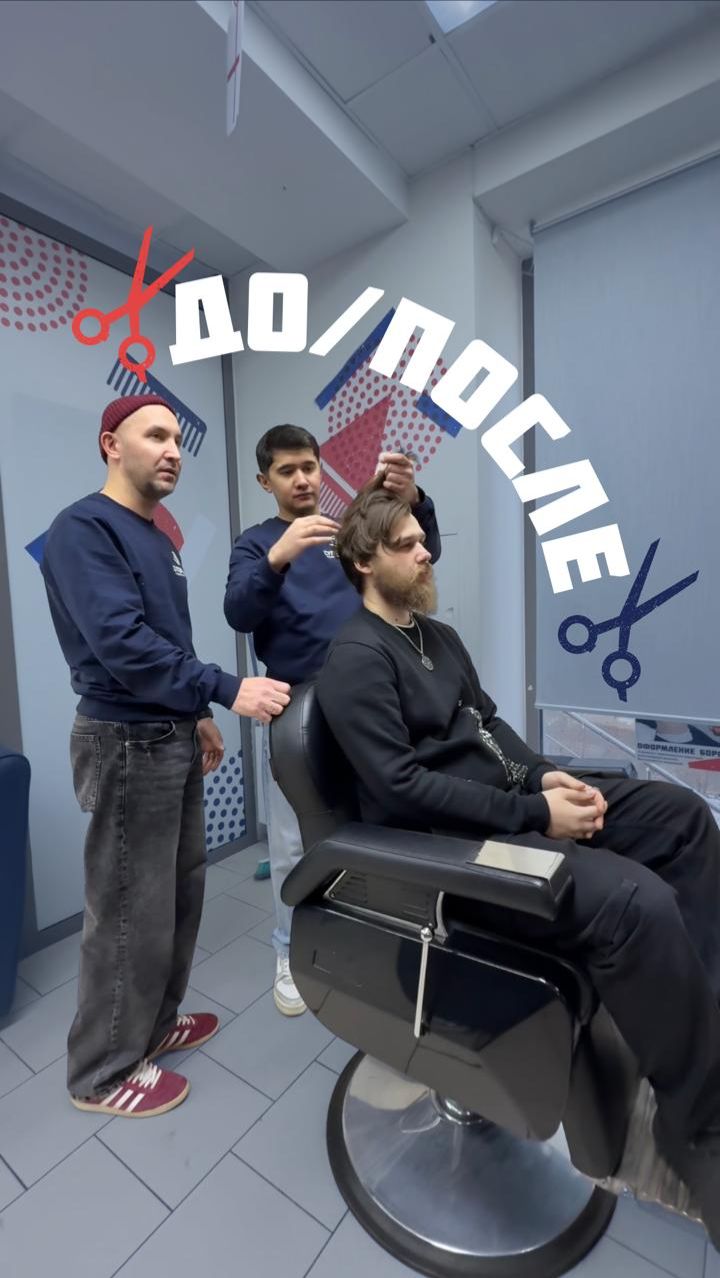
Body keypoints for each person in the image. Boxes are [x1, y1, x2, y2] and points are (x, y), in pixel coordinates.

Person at [316, 476, 720, 1247]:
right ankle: (700, 1128)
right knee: (635, 904)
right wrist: (536, 815)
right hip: (455, 855)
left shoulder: (437, 639)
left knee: (683, 821)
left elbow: (490, 725)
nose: (425, 552)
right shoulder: (355, 659)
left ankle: (704, 1025)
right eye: (405, 545)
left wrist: (544, 777)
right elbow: (401, 790)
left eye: (423, 540)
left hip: (512, 809)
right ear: (364, 561)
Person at [41, 394, 290, 1118]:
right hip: (123, 741)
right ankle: (101, 1071)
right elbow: (122, 645)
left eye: (178, 438)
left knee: (177, 895)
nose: (173, 450)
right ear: (110, 445)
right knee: (128, 910)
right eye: (155, 435)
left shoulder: (158, 539)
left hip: (168, 732)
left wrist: (197, 714)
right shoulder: (84, 528)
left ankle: (150, 1026)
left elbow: (167, 642)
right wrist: (225, 690)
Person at [224, 424, 441, 1015]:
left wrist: (415, 500)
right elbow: (239, 613)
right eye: (287, 471)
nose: (301, 479)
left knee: (380, 823)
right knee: (293, 841)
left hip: (369, 696)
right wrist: (278, 556)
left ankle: (375, 940)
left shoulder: (345, 532)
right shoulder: (255, 544)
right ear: (265, 480)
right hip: (297, 709)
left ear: (321, 470)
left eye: (309, 467)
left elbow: (415, 561)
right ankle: (289, 949)